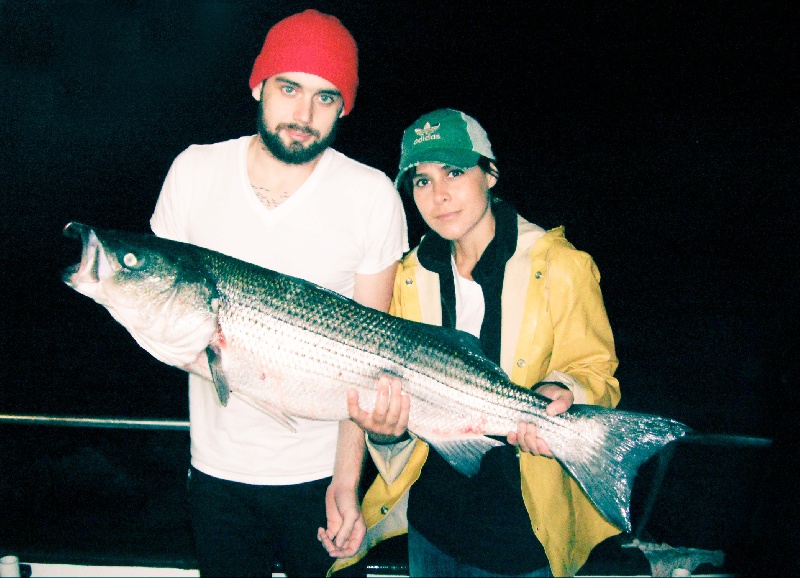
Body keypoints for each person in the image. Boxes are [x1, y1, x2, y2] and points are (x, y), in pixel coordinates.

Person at [148, 10, 408, 576]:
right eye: (290, 88)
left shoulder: (371, 197)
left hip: (319, 483)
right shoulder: (194, 172)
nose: (305, 115)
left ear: (345, 107)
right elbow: (160, 306)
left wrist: (346, 485)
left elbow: (371, 358)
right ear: (259, 85)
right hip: (216, 477)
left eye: (326, 97)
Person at [321, 109, 622, 577]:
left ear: (491, 173)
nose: (438, 195)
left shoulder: (562, 266)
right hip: (431, 528)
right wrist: (384, 429)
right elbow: (390, 408)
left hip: (522, 538)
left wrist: (563, 390)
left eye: (454, 172)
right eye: (421, 181)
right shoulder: (404, 278)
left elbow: (596, 370)